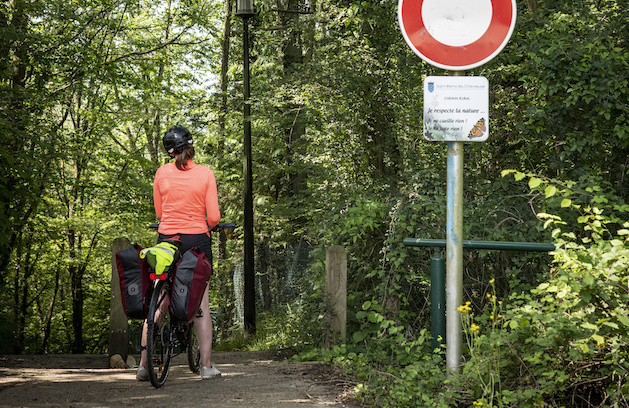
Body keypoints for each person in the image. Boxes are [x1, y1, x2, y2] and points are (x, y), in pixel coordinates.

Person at [137, 125, 222, 381]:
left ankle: (143, 366)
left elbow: (161, 214)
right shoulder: (205, 174)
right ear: (192, 146)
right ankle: (206, 367)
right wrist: (206, 224)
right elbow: (215, 217)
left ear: (170, 151)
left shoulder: (161, 173)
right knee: (200, 304)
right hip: (197, 241)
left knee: (160, 298)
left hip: (167, 240)